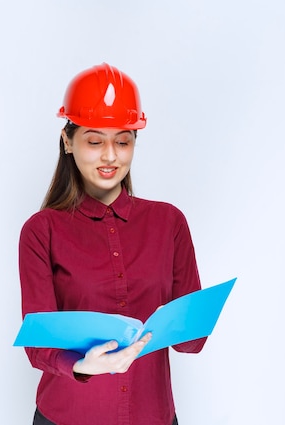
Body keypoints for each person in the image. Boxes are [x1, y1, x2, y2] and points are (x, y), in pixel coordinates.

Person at [19, 63, 206, 425]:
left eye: (123, 140)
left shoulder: (169, 223)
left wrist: (196, 319)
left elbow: (191, 343)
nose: (110, 156)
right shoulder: (42, 231)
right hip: (68, 416)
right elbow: (37, 344)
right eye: (94, 141)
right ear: (67, 141)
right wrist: (82, 364)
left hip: (153, 416)